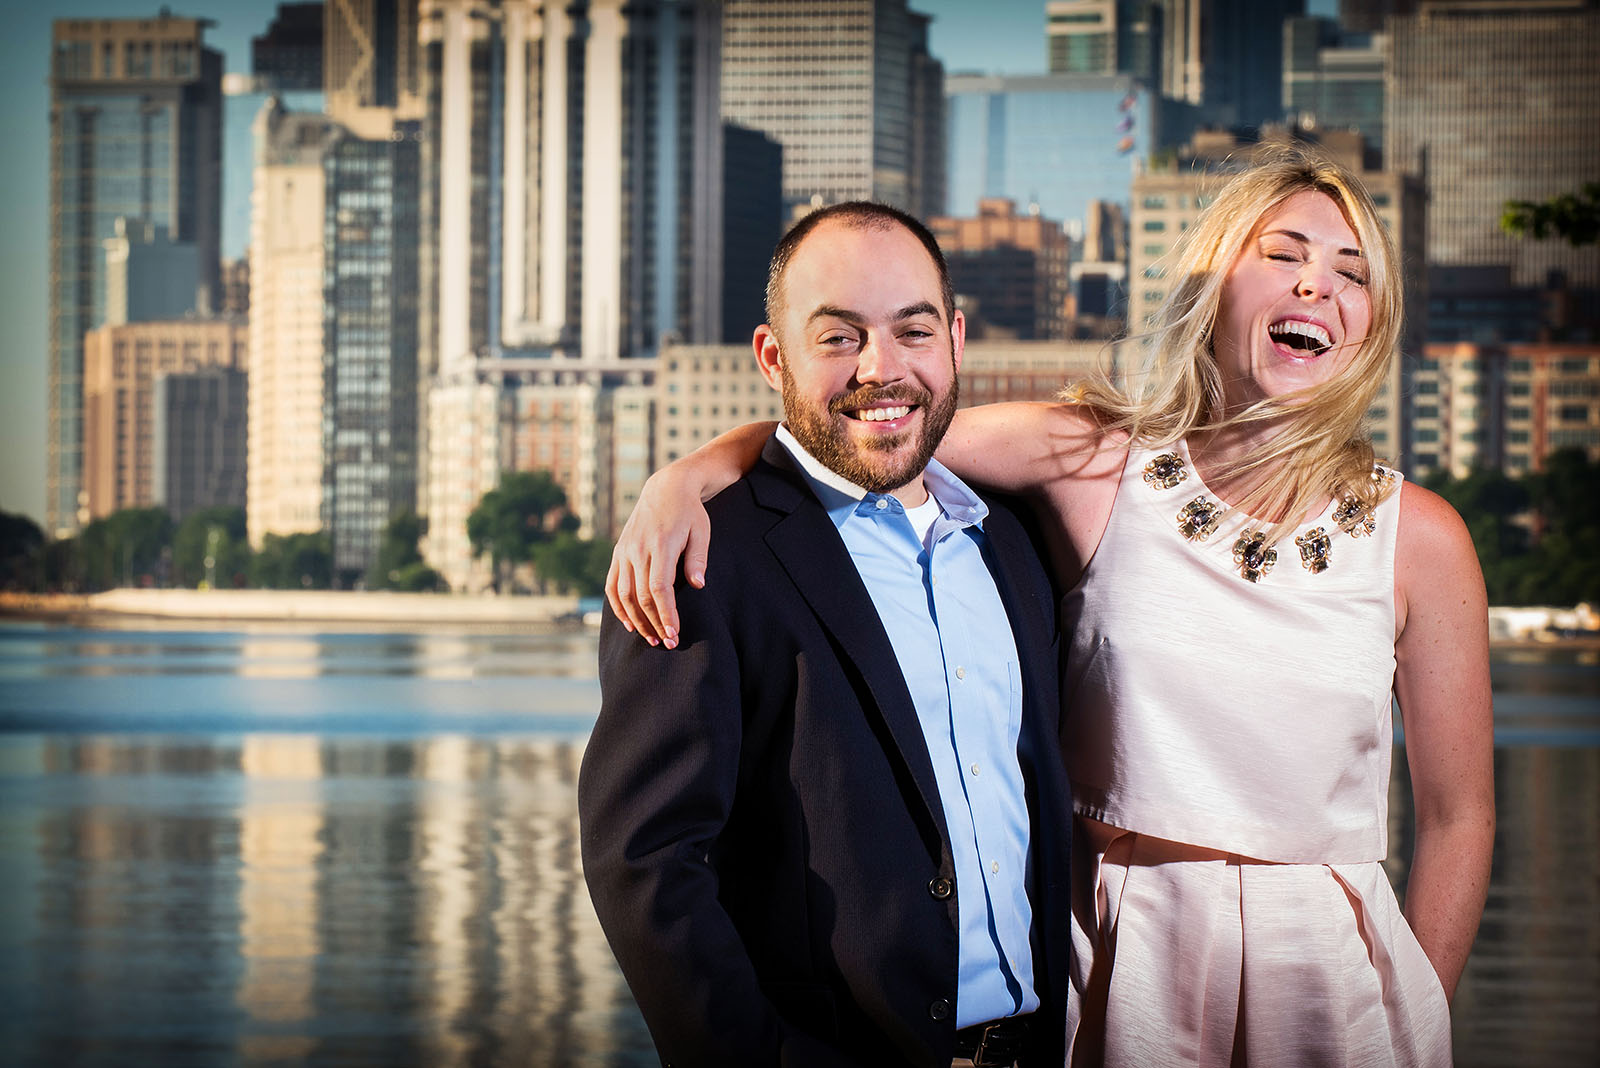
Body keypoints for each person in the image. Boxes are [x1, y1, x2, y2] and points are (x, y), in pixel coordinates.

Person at [604, 150, 1496, 1067]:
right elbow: (878, 423)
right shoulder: (1093, 463)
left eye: (1353, 274)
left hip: (1332, 983)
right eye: (1285, 255)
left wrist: (1411, 1003)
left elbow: (1461, 816)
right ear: (1213, 284)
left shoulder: (1423, 540)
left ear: (1372, 319)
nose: (1319, 285)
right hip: (1116, 965)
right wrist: (691, 474)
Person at [578, 201, 1076, 1067]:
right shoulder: (700, 556)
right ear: (775, 356)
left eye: (913, 332)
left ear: (954, 341)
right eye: (839, 338)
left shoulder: (1014, 540)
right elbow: (644, 860)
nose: (882, 369)